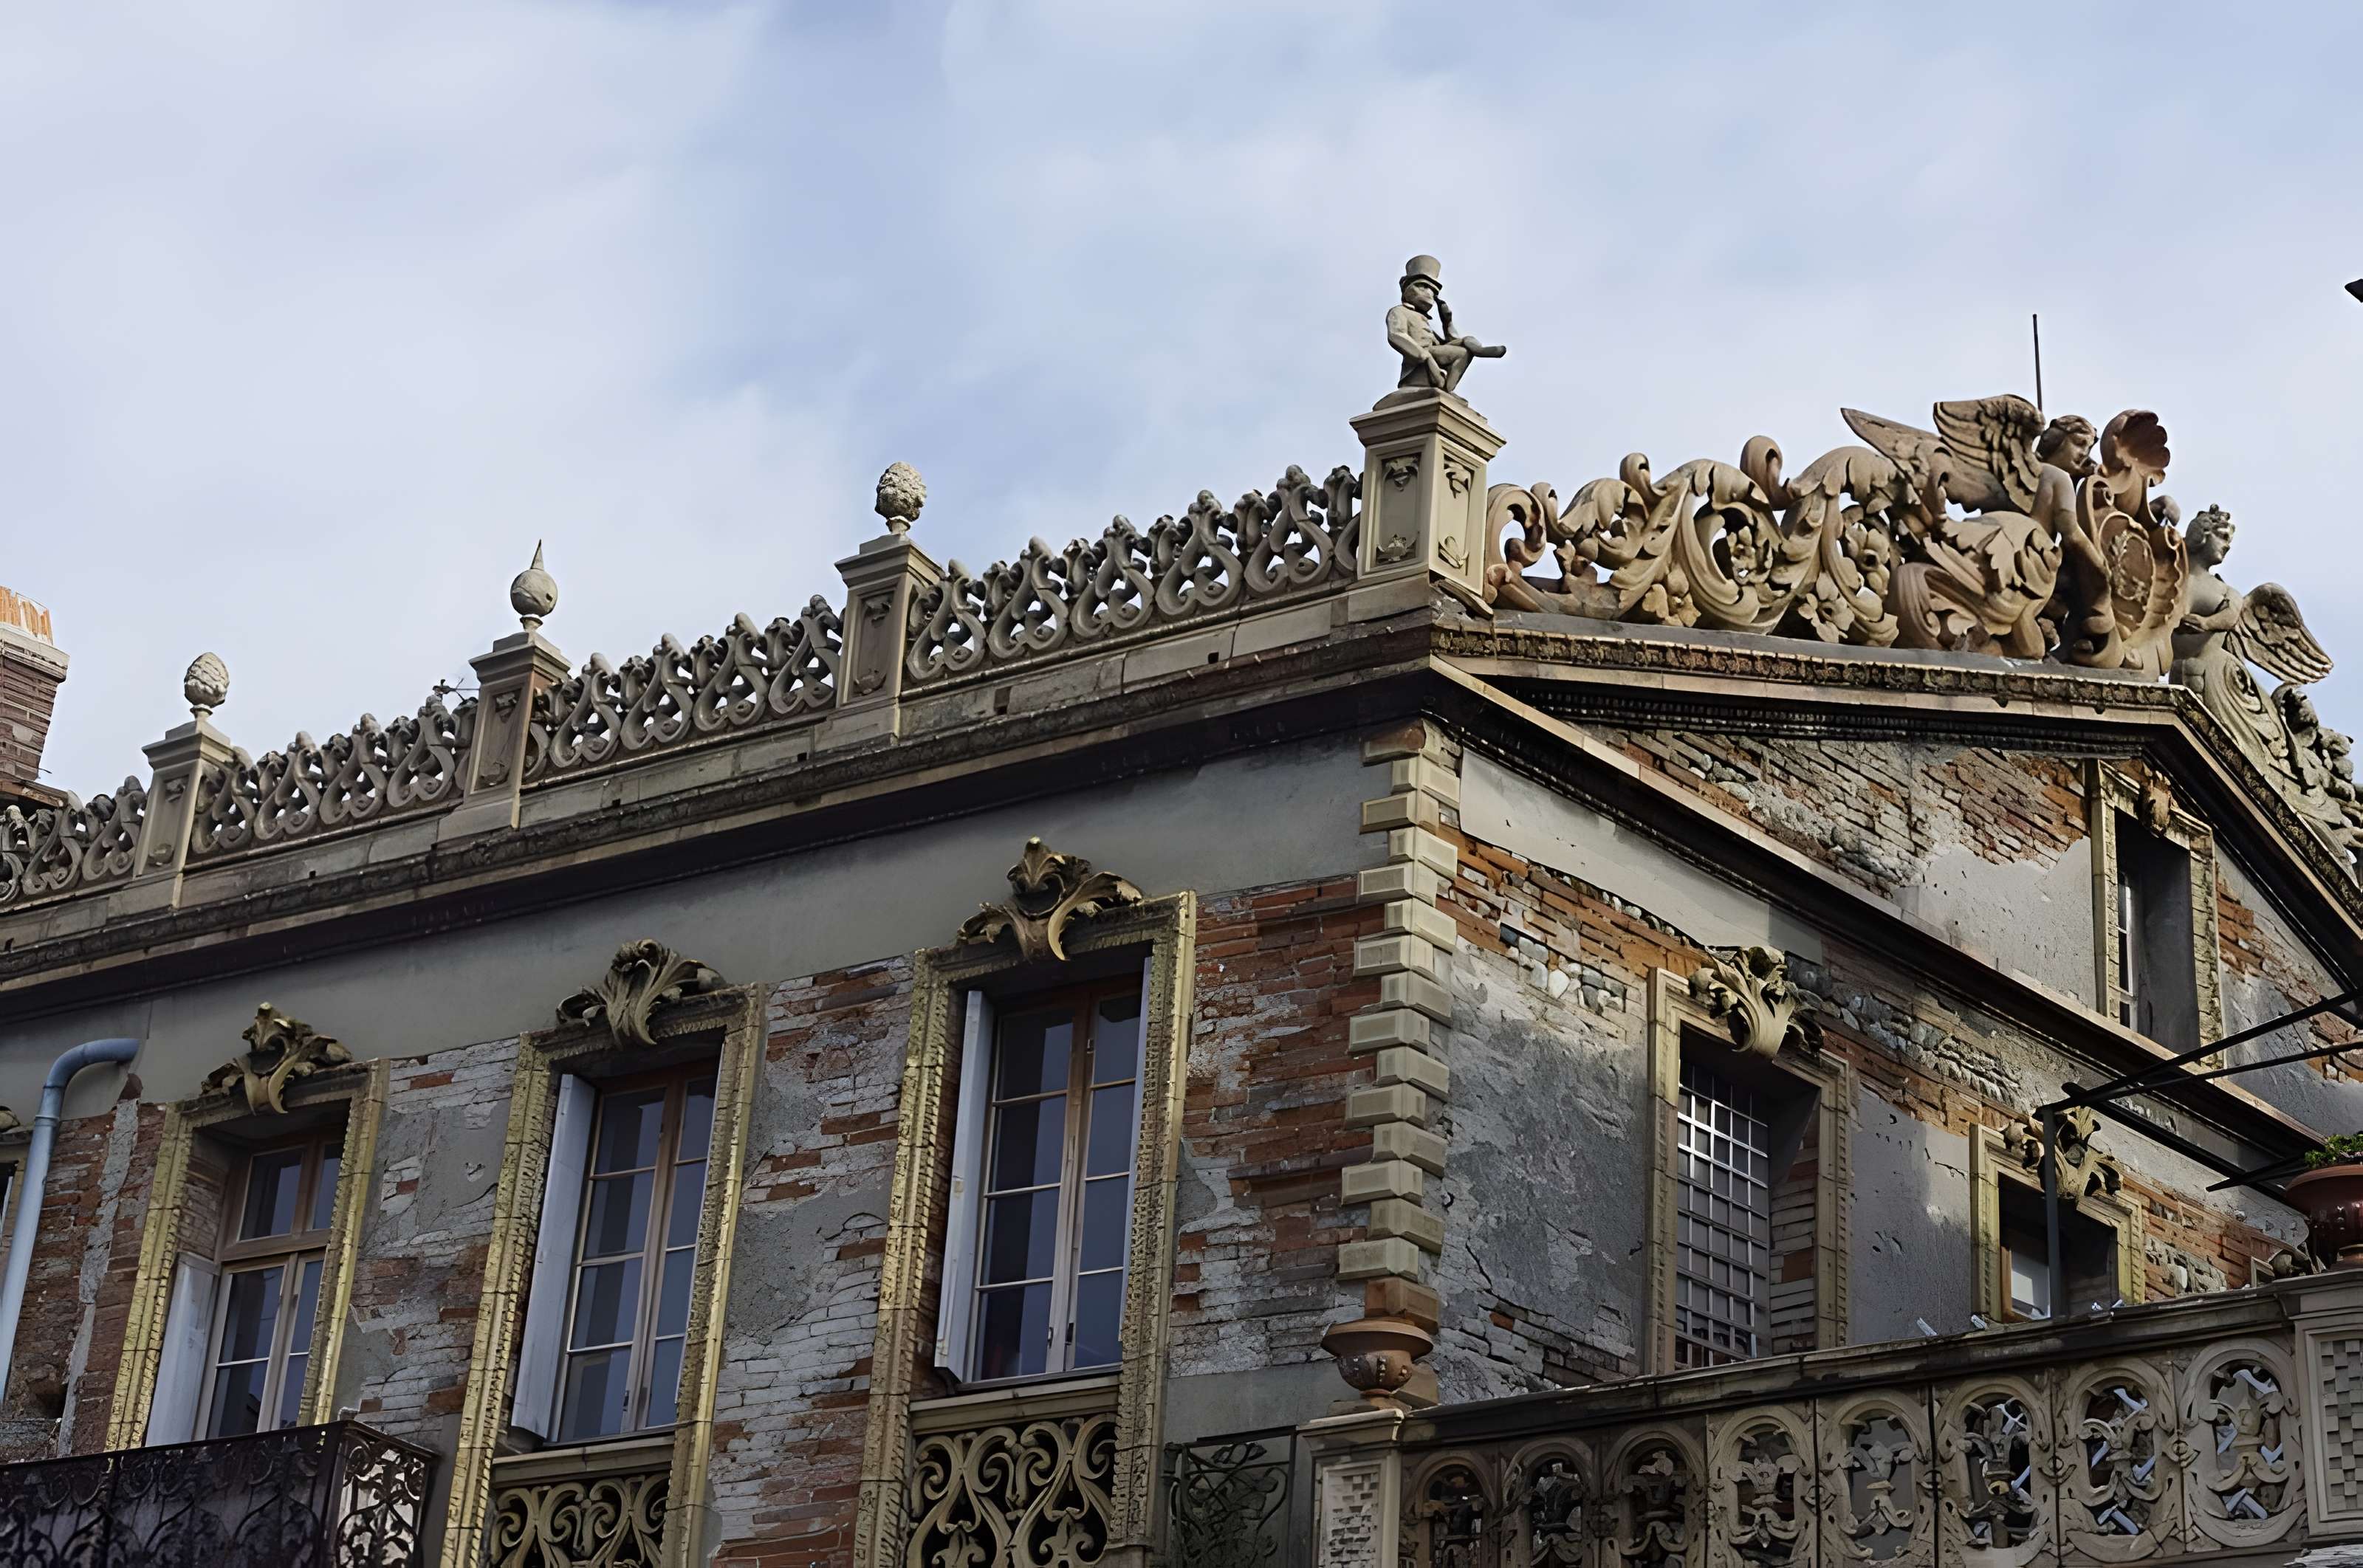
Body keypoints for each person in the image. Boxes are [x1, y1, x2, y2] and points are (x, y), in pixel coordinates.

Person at [1387, 255, 1504, 393]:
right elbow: (1396, 335)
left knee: (1466, 342)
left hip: (1433, 353)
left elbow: (1448, 343)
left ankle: (1479, 351)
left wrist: (1447, 321)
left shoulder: (1425, 320)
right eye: (1423, 286)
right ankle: (1446, 388)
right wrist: (1423, 354)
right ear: (1408, 288)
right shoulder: (1399, 311)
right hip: (1420, 357)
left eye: (1433, 291)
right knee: (1462, 353)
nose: (1429, 293)